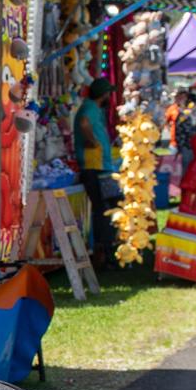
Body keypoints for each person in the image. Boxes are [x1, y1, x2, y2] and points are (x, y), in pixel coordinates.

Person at [73, 76, 118, 267]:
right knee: (104, 209)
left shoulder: (94, 108)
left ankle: (106, 249)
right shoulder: (90, 107)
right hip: (95, 168)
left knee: (106, 208)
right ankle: (104, 252)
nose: (110, 96)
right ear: (103, 94)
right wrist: (93, 142)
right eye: (108, 92)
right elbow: (84, 123)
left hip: (100, 167)